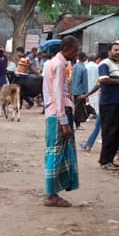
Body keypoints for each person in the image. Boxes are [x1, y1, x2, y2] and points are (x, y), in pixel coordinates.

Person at [42, 36, 80, 207]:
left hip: (54, 113)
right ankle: (51, 194)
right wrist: (63, 122)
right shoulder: (59, 65)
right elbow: (57, 95)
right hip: (58, 114)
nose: (77, 53)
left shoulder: (54, 63)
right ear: (68, 49)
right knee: (56, 153)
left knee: (58, 152)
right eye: (75, 50)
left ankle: (54, 191)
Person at [84, 42, 119, 169]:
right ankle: (105, 161)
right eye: (116, 50)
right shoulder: (105, 63)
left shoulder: (117, 66)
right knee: (109, 131)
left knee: (116, 132)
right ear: (110, 51)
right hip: (110, 102)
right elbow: (103, 79)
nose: (118, 52)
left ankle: (109, 160)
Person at [70, 49, 90, 128]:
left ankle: (77, 123)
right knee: (79, 108)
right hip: (80, 91)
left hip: (74, 90)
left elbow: (72, 79)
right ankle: (77, 124)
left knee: (76, 107)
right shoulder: (83, 69)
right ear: (84, 58)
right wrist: (86, 93)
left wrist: (71, 90)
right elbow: (85, 82)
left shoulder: (74, 67)